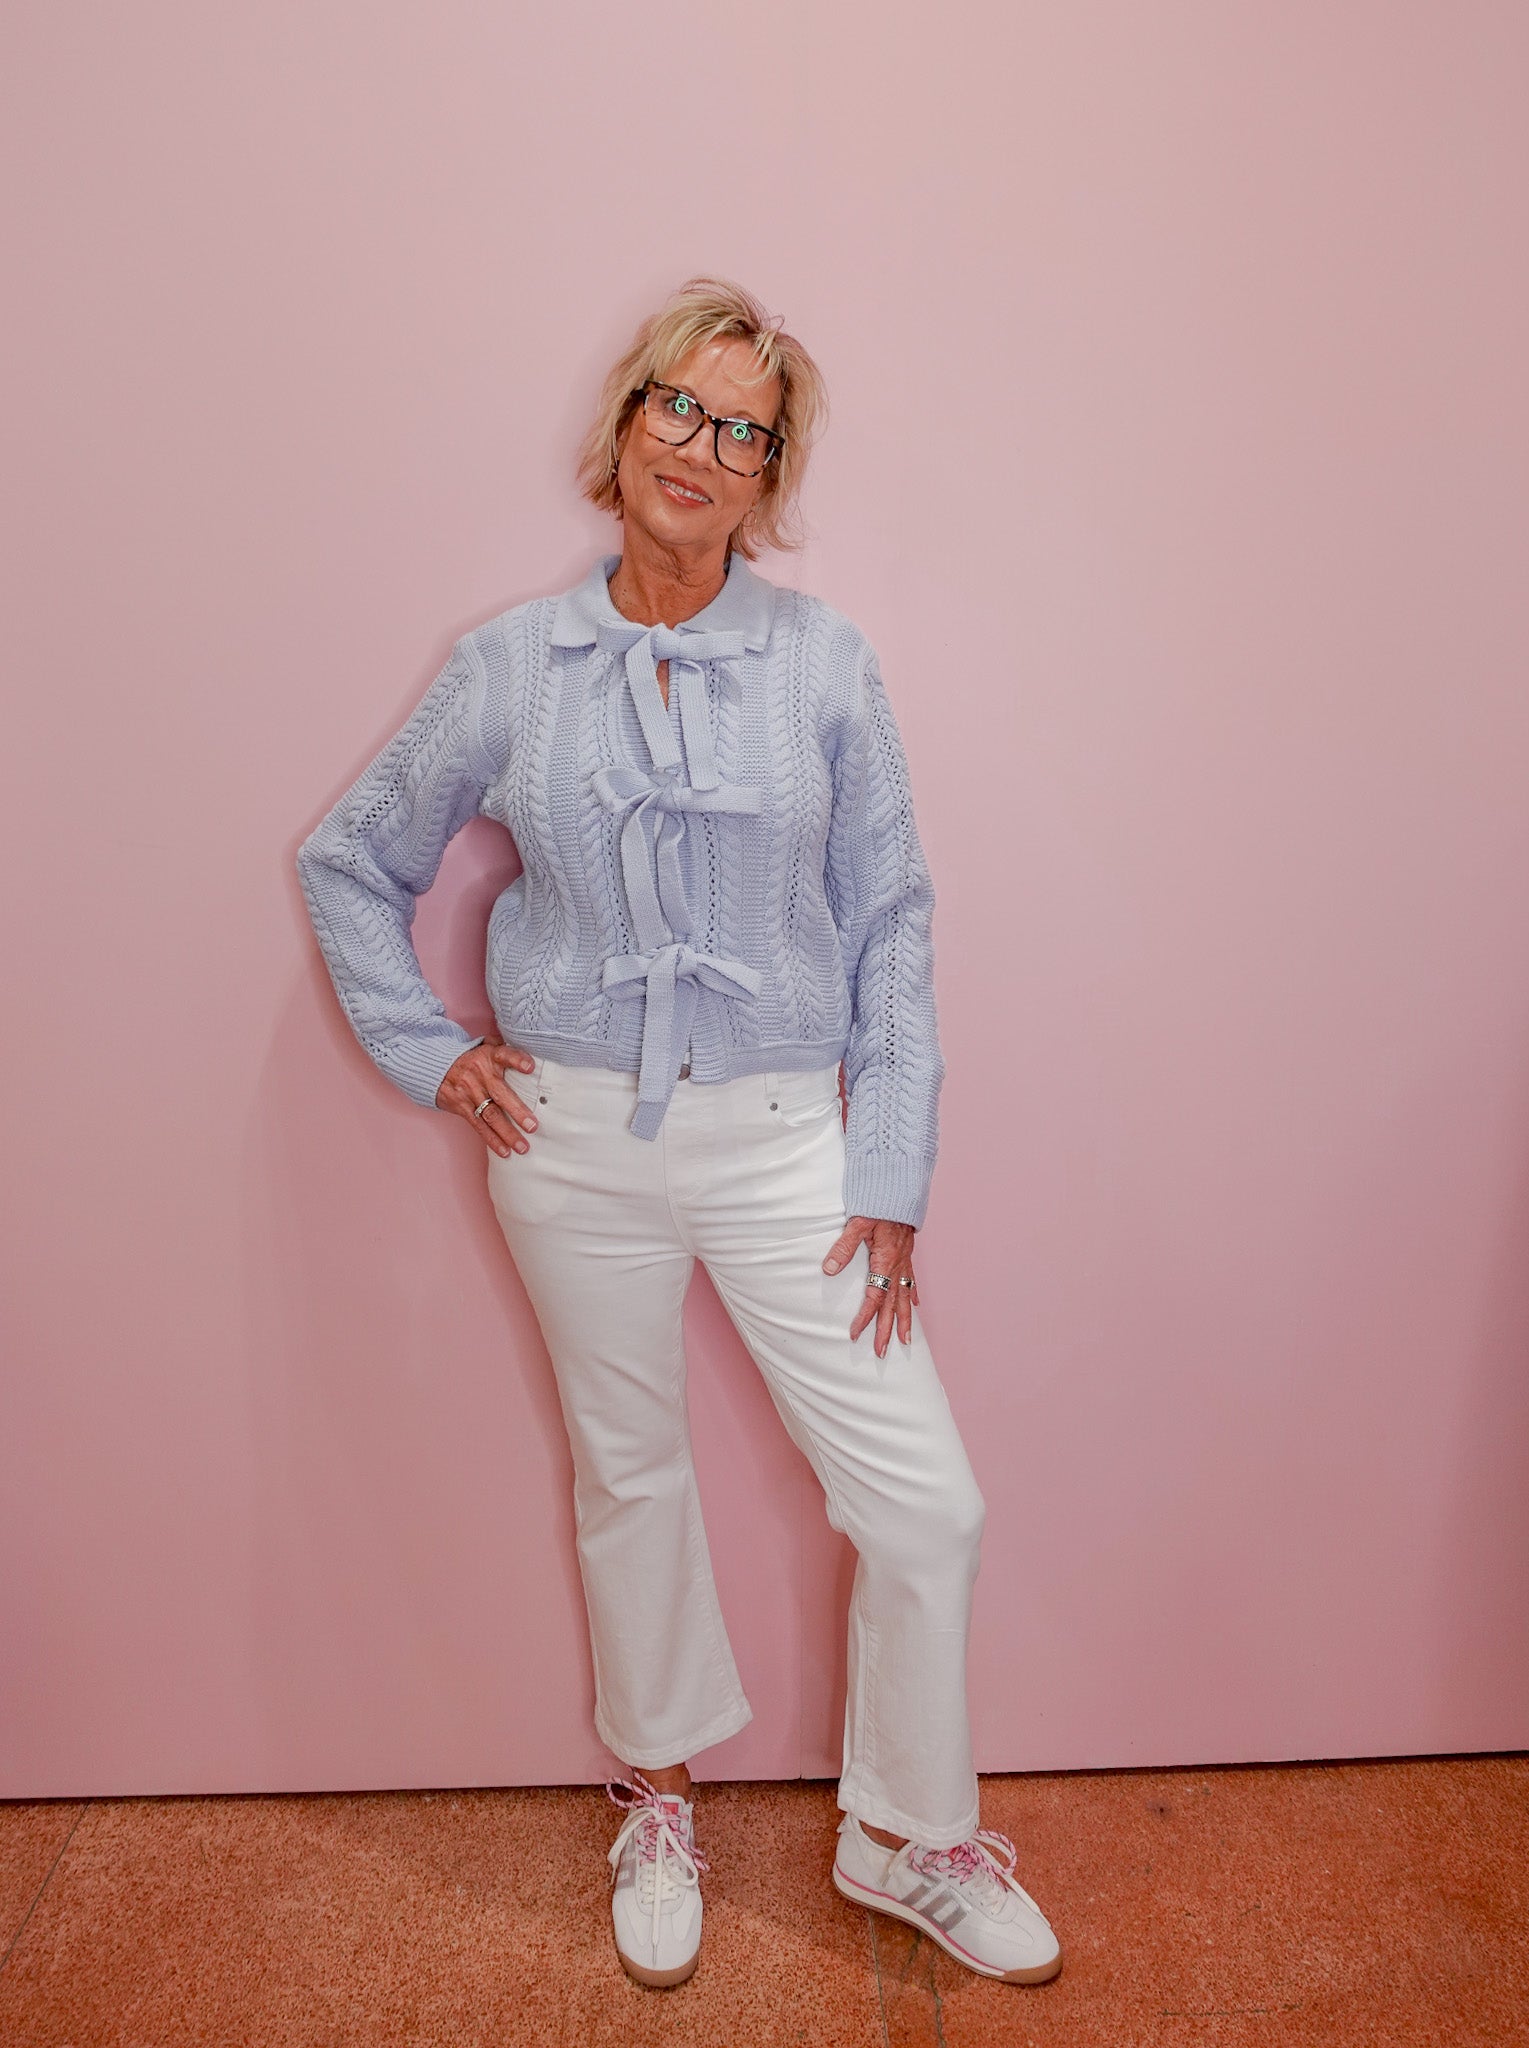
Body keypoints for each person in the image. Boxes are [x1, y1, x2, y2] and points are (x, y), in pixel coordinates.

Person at [295, 276, 1062, 1991]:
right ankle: (657, 1796)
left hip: (789, 1134)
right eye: (678, 409)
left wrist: (894, 1169)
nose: (701, 448)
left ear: (770, 474)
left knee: (923, 1502)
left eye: (744, 430)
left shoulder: (826, 665)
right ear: (626, 423)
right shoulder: (508, 665)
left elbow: (895, 923)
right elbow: (350, 859)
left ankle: (908, 1837)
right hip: (569, 1143)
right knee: (626, 1467)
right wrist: (432, 1051)